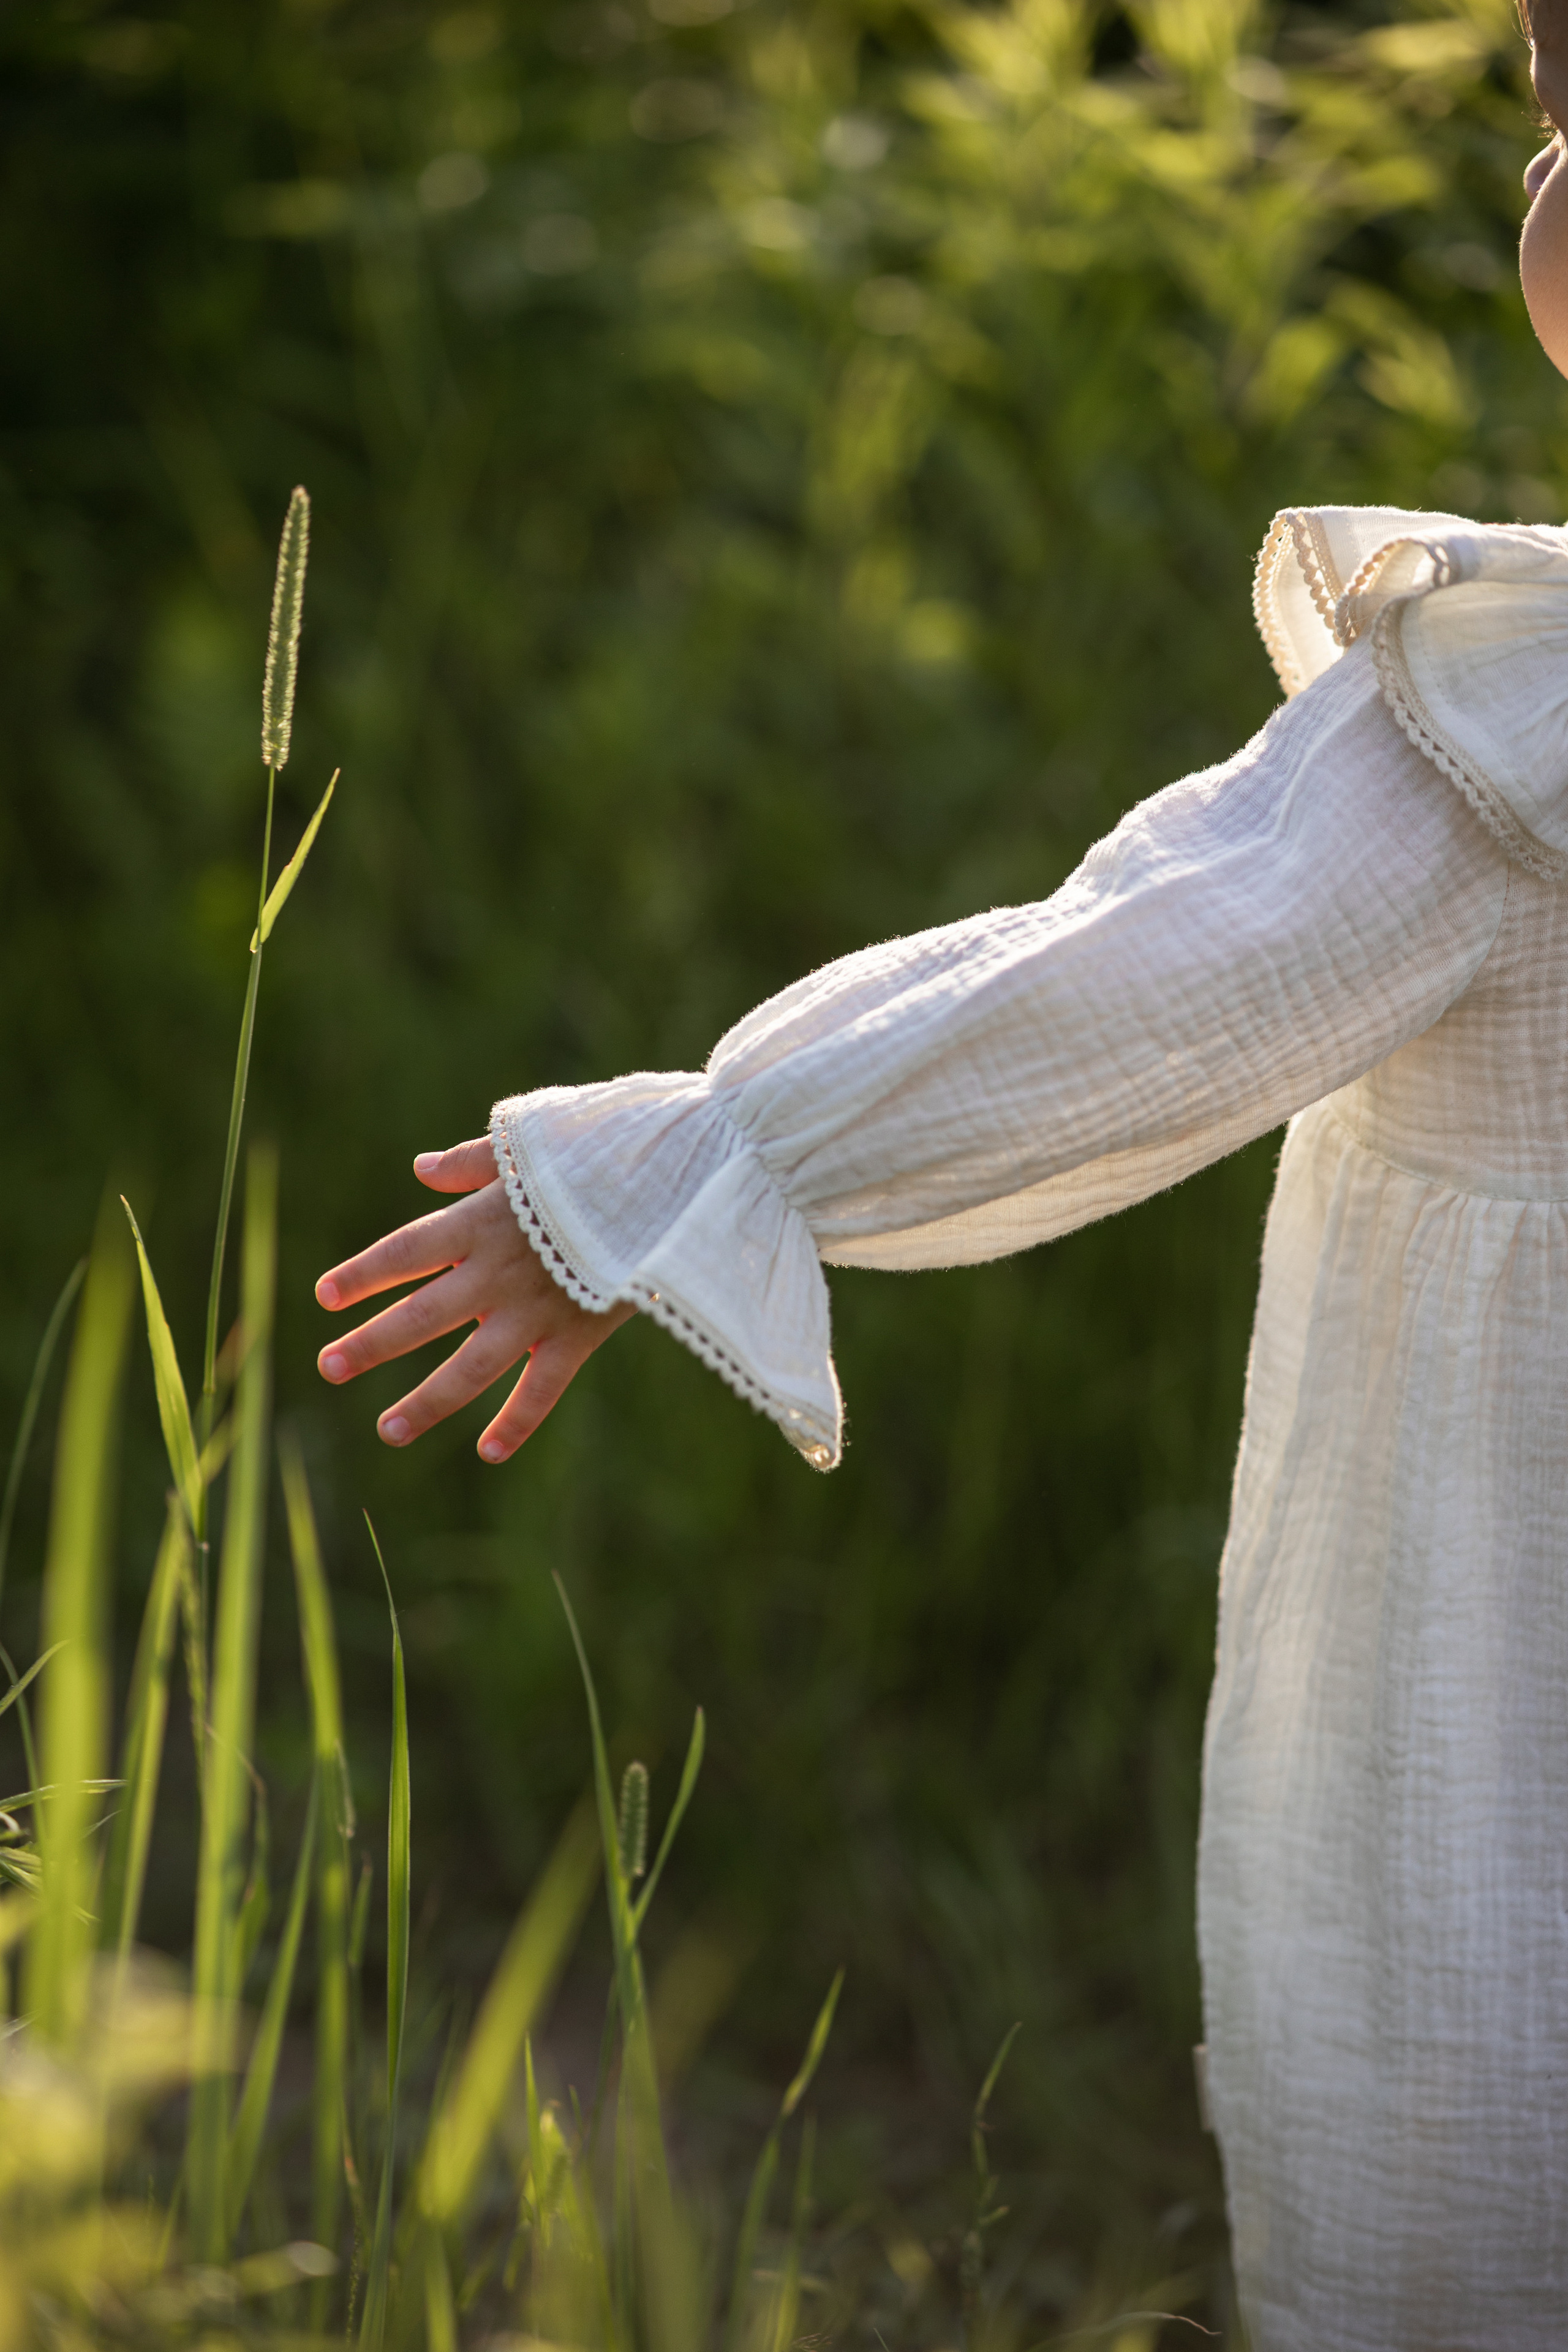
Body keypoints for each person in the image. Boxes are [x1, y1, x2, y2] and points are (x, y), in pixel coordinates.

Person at [315, 13, 1568, 2342]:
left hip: (1528, 1563)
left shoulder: (1523, 716)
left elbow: (1133, 983)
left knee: (1492, 2037)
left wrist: (716, 1159)